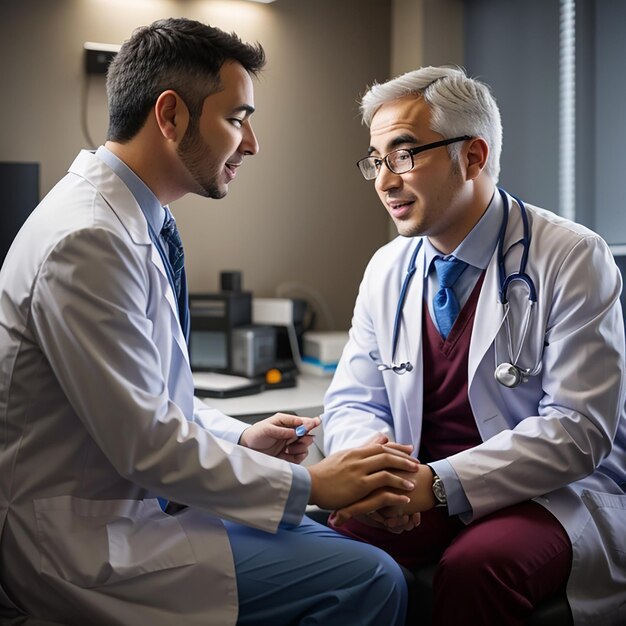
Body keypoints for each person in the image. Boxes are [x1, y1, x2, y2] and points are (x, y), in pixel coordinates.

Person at [0, 18, 422, 626]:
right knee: (371, 579)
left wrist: (241, 438)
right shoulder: (88, 240)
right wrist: (317, 486)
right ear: (170, 116)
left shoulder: (132, 223)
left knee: (350, 549)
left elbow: (143, 404)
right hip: (83, 542)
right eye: (237, 119)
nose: (252, 144)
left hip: (133, 510)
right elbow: (145, 443)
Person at [321, 65, 626, 626]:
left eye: (405, 154)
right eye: (377, 159)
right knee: (334, 551)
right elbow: (352, 402)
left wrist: (436, 485)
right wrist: (379, 474)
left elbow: (580, 430)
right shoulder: (387, 267)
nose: (385, 180)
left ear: (475, 156)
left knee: (476, 571)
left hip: (547, 493)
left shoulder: (572, 256)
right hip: (418, 488)